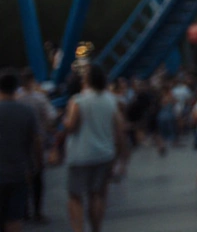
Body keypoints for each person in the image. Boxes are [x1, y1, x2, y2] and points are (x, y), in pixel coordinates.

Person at [65, 66, 126, 232]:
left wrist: (64, 122)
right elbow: (120, 129)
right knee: (97, 194)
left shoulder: (77, 100)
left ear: (87, 81)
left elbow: (70, 126)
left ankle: (78, 229)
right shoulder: (111, 100)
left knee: (75, 197)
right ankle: (96, 228)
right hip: (105, 154)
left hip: (80, 155)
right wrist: (121, 155)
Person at [1, 69, 41, 232]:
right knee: (15, 217)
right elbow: (36, 141)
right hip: (19, 171)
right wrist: (37, 165)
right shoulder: (27, 111)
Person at [15, 71, 54, 224]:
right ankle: (37, 212)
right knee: (38, 179)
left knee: (22, 180)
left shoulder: (16, 99)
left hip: (17, 145)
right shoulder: (39, 98)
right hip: (38, 142)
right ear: (32, 80)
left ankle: (23, 210)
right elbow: (50, 117)